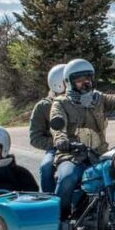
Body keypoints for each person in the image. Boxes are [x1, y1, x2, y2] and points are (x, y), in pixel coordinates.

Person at [51, 59, 115, 217]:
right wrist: (61, 140)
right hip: (73, 156)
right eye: (79, 80)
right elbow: (57, 125)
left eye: (88, 78)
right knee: (67, 177)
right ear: (69, 82)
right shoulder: (61, 103)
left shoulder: (98, 99)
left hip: (99, 155)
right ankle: (60, 220)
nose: (85, 83)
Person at [29, 63, 66, 193]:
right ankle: (49, 199)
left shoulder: (84, 101)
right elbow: (35, 138)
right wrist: (57, 143)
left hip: (86, 145)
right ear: (58, 83)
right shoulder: (43, 107)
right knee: (46, 167)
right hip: (57, 149)